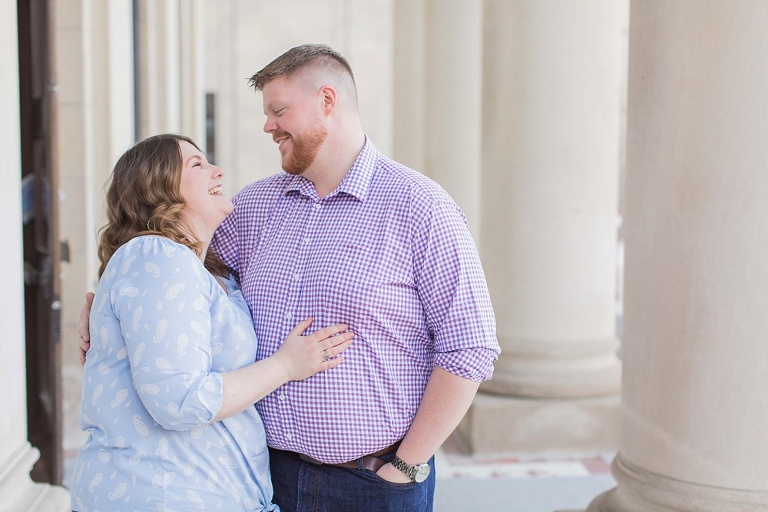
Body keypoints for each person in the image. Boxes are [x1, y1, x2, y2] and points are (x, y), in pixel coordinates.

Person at [81, 44, 500, 511]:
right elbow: (168, 266)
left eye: (279, 111)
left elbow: (470, 347)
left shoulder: (421, 207)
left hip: (372, 482)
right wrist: (103, 312)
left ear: (327, 100)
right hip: (265, 479)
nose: (268, 126)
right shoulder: (253, 208)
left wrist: (405, 465)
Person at [70, 133, 353, 512]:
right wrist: (286, 366)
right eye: (197, 165)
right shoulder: (157, 255)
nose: (217, 171)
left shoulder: (203, 271)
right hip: (158, 495)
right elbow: (180, 400)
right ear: (157, 187)